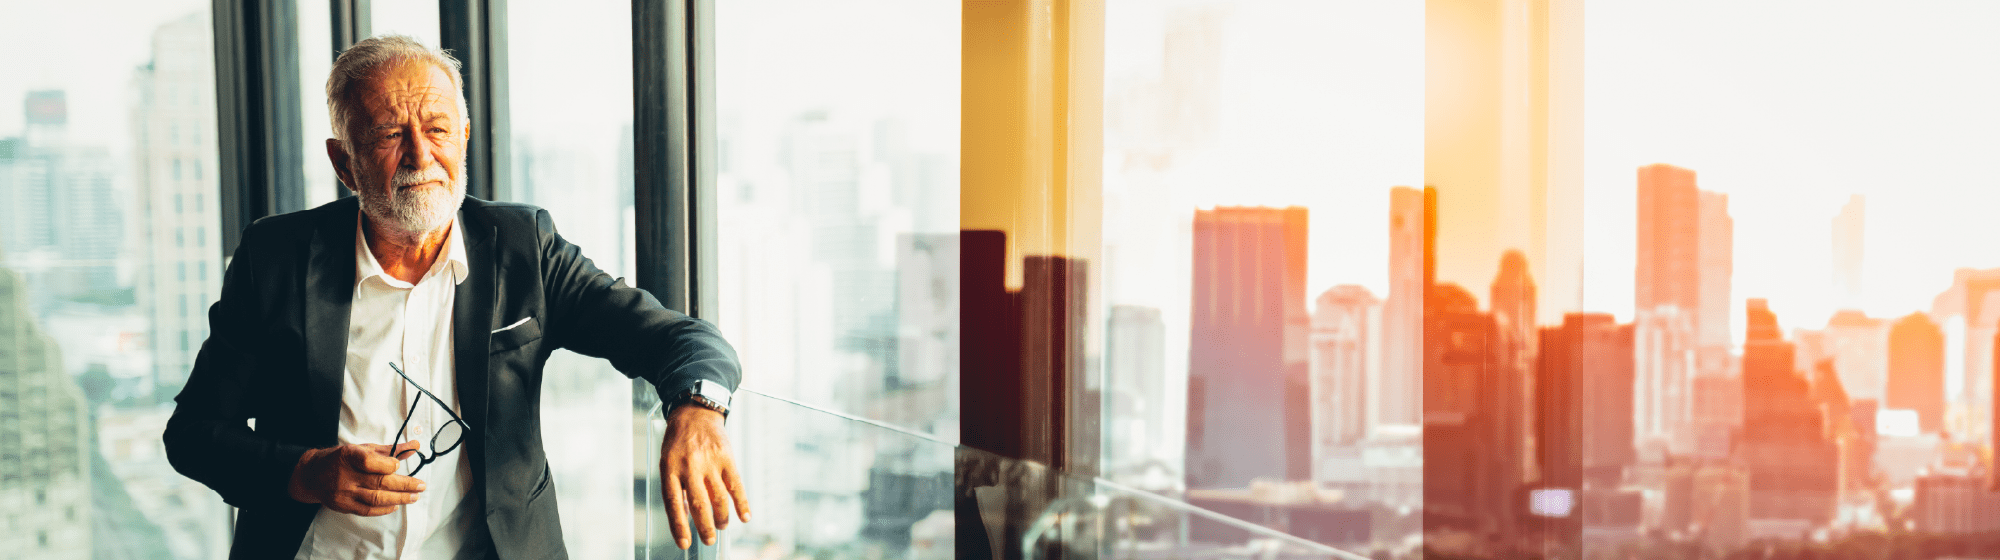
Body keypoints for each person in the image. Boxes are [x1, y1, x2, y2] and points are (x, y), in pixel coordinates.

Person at [163, 35, 749, 559]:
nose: (421, 156)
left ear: (463, 136)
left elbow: (678, 338)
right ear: (344, 162)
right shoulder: (277, 259)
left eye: (438, 128)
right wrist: (304, 472)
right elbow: (192, 433)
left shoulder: (523, 249)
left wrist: (699, 407)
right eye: (390, 134)